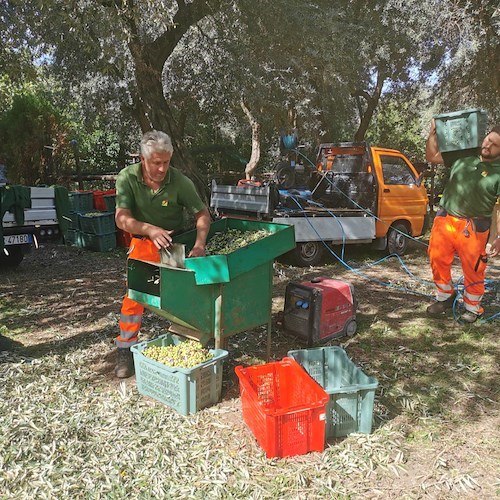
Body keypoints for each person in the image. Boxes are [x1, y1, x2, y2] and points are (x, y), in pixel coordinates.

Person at [114, 130, 211, 377]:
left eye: (166, 162)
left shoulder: (180, 182)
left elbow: (202, 214)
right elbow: (121, 218)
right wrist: (149, 229)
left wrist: (199, 244)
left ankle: (186, 345)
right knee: (135, 298)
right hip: (143, 243)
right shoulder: (127, 178)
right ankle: (125, 349)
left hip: (172, 244)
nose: (161, 168)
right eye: (156, 163)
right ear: (142, 159)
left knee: (179, 296)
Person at [425, 122, 500, 323]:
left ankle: (472, 308)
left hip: (475, 227)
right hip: (446, 218)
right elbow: (432, 156)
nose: (487, 145)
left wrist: (497, 237)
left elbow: (498, 208)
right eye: (487, 139)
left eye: (494, 144)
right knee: (437, 258)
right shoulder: (464, 155)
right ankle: (445, 296)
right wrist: (432, 134)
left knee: (474, 268)